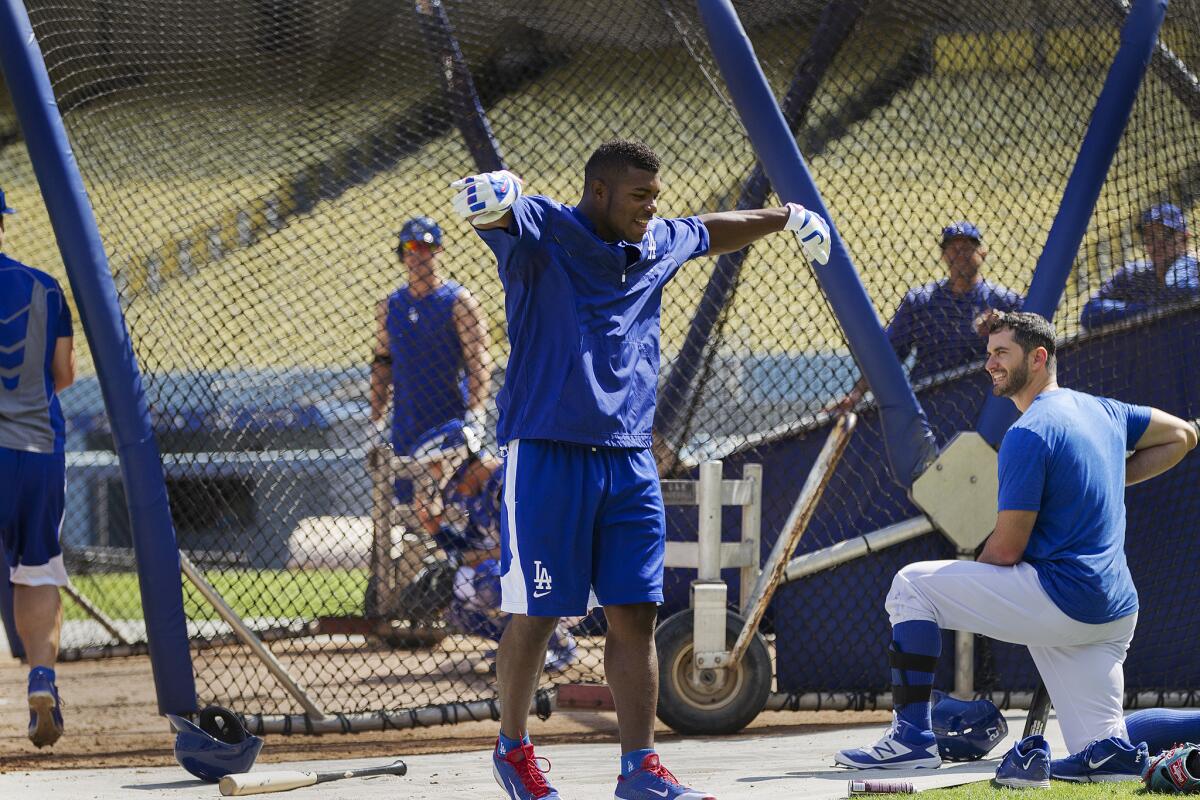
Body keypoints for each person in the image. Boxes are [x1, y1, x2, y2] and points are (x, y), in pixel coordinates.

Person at [450, 139, 831, 800]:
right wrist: (490, 196)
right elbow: (498, 215)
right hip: (548, 454)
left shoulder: (655, 242)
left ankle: (641, 769)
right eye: (639, 197)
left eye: (655, 198)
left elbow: (711, 231)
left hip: (629, 461)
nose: (651, 210)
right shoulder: (546, 227)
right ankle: (513, 749)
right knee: (539, 612)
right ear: (599, 192)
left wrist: (788, 218)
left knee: (637, 614)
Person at [834, 311, 1196, 783]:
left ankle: (910, 742)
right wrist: (1110, 476)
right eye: (989, 354)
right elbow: (1184, 435)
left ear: (1039, 357)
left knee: (912, 586)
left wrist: (978, 601)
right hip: (1113, 613)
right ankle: (1122, 754)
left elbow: (1005, 552)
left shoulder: (1027, 432)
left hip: (1061, 599)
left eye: (1002, 352)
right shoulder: (1104, 411)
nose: (990, 364)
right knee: (1105, 754)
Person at [368, 216, 492, 616]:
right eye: (410, 248)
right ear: (401, 254)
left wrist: (476, 414)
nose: (417, 255)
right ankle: (400, 602)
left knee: (451, 513)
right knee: (403, 518)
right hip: (405, 427)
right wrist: (375, 420)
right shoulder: (390, 305)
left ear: (438, 250)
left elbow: (478, 363)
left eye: (424, 247)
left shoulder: (458, 302)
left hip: (447, 430)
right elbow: (381, 363)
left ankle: (452, 596)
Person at [400, 420, 576, 674]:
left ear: (454, 459)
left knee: (488, 581)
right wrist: (436, 530)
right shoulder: (480, 493)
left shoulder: (508, 481)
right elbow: (470, 548)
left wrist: (474, 557)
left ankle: (558, 646)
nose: (433, 475)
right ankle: (514, 645)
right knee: (455, 601)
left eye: (434, 466)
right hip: (530, 578)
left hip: (556, 574)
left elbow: (528, 545)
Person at [0, 187, 76, 748]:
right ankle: (41, 678)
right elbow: (64, 373)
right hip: (38, 452)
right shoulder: (46, 286)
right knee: (38, 570)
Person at [834, 221, 1022, 411]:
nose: (960, 254)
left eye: (967, 247)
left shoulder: (1004, 301)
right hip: (929, 402)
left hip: (984, 404)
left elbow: (1033, 342)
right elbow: (889, 354)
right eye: (953, 248)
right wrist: (856, 394)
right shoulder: (921, 301)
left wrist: (1004, 328)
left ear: (982, 252)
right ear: (943, 255)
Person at [1080, 203, 1199, 330]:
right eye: (1150, 237)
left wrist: (1184, 261)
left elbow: (1182, 289)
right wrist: (1144, 310)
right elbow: (1089, 314)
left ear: (1185, 239)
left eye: (1165, 235)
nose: (1156, 244)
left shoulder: (1194, 269)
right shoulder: (1132, 276)